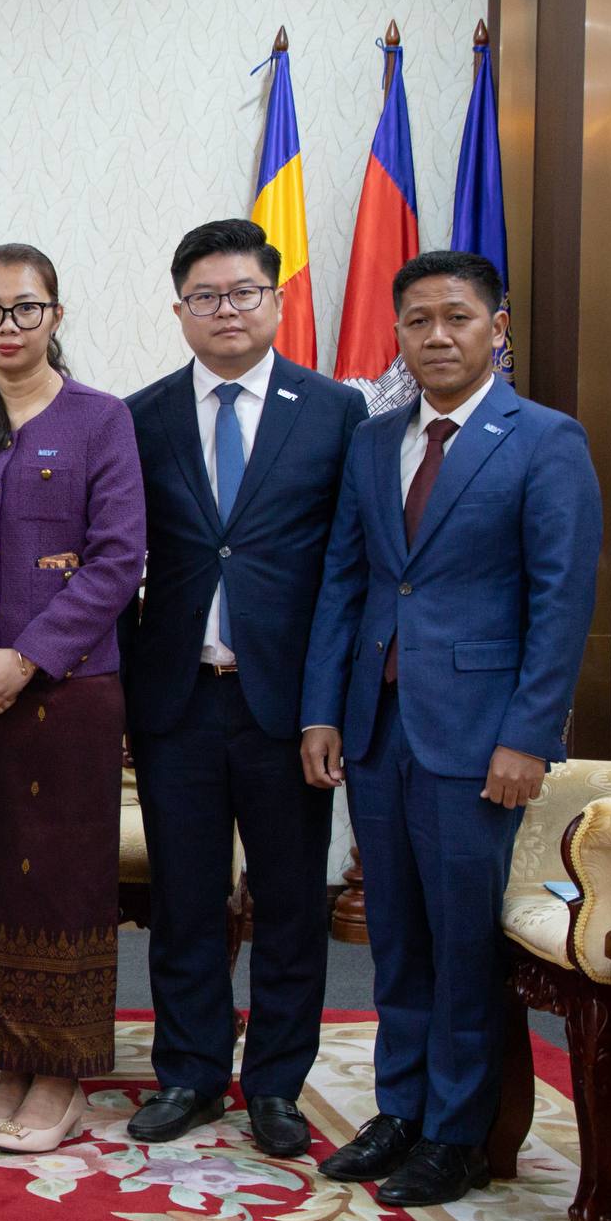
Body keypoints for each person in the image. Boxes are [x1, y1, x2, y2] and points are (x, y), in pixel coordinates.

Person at [302, 249, 599, 1208]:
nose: (437, 336)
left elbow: (561, 603)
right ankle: (400, 1109)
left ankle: (458, 1134)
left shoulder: (544, 440)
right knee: (395, 932)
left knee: (463, 939)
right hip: (379, 726)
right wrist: (324, 709)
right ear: (398, 332)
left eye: (458, 318)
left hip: (479, 736)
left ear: (496, 329)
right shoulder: (372, 440)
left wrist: (529, 736)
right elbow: (347, 582)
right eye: (418, 320)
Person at [120, 219, 367, 1157]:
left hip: (287, 706)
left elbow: (348, 569)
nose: (226, 310)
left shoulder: (334, 412)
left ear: (276, 299)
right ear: (179, 308)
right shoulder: (140, 417)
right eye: (205, 296)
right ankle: (188, 1073)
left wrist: (328, 705)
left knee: (290, 903)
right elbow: (119, 563)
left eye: (244, 293)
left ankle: (274, 1085)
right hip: (178, 696)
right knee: (184, 900)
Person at [0, 243, 144, 1152]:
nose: (7, 326)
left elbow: (119, 558)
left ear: (56, 314)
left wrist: (28, 657)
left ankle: (60, 1078)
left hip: (68, 696)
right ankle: (4, 1067)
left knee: (58, 886)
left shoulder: (100, 418)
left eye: (25, 308)